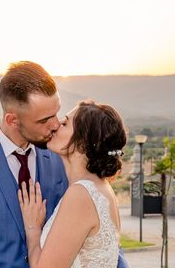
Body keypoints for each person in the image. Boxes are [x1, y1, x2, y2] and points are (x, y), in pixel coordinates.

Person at [0, 61, 129, 268]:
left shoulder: (65, 158)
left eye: (57, 114)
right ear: (13, 120)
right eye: (44, 120)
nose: (55, 125)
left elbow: (104, 240)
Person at [18, 100, 127, 268]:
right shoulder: (101, 188)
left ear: (83, 142)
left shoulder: (81, 194)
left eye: (65, 123)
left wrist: (32, 228)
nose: (55, 125)